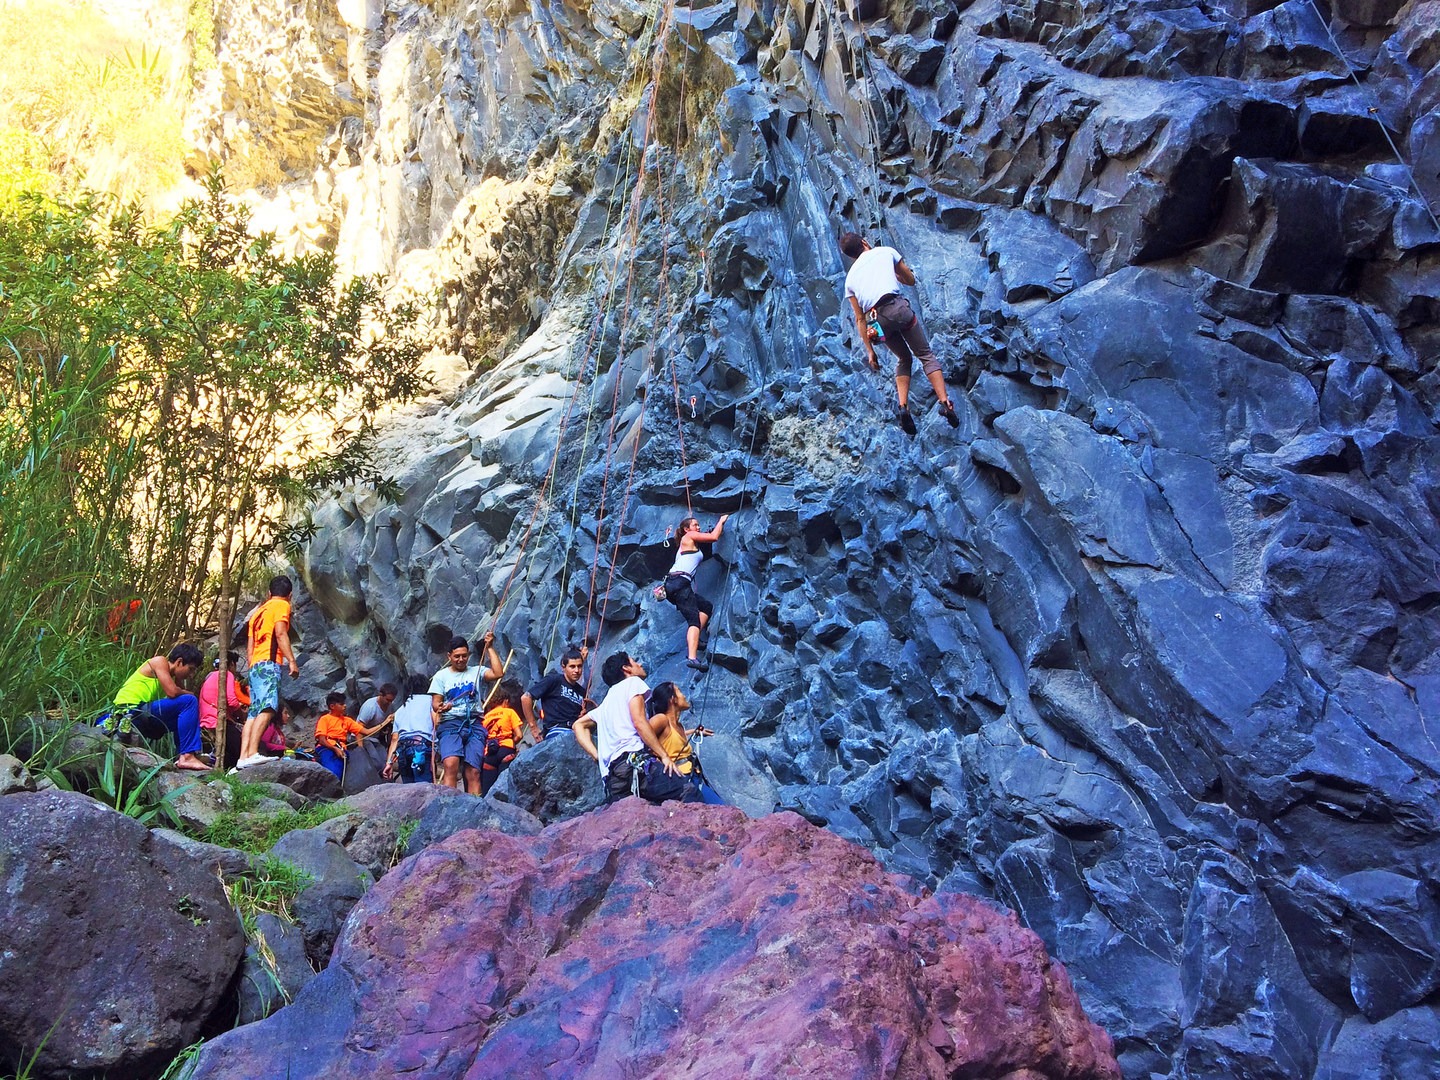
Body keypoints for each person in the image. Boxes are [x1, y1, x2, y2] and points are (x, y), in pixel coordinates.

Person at [839, 232, 959, 435]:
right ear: (864, 242)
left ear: (851, 256)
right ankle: (944, 402)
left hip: (876, 322)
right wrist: (896, 275)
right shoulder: (886, 252)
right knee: (925, 355)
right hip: (897, 308)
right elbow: (910, 279)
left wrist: (870, 352)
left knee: (904, 359)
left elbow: (860, 319)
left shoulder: (849, 279)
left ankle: (903, 406)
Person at [573, 652, 693, 805]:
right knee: (687, 790)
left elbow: (578, 725)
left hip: (613, 778)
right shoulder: (632, 683)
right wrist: (664, 756)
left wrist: (598, 756)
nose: (640, 664)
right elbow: (639, 722)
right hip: (635, 765)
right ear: (626, 669)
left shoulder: (605, 704)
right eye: (635, 662)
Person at [106, 643, 210, 771]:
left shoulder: (169, 676)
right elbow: (172, 692)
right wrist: (187, 692)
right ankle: (187, 756)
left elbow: (177, 696)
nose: (191, 674)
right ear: (179, 661)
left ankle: (184, 756)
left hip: (144, 715)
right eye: (191, 669)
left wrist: (179, 686)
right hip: (131, 710)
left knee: (185, 712)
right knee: (189, 701)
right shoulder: (159, 661)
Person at [235, 576, 300, 770]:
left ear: (269, 593)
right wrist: (292, 660)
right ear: (289, 595)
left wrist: (252, 665)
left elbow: (250, 645)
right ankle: (253, 753)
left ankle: (243, 756)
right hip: (269, 663)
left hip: (255, 664)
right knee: (268, 708)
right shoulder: (281, 606)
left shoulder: (257, 613)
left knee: (254, 711)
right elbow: (280, 633)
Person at [428, 631, 503, 793]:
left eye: (464, 655)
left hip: (474, 724)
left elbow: (498, 673)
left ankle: (474, 807)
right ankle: (449, 805)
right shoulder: (441, 677)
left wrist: (489, 647)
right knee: (450, 765)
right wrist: (441, 707)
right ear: (449, 656)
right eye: (457, 656)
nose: (461, 659)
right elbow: (435, 703)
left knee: (474, 771)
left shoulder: (476, 671)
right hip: (450, 724)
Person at [665, 514, 728, 672]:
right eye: (695, 525)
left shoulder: (686, 544)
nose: (697, 528)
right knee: (693, 620)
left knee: (706, 607)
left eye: (698, 525)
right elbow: (714, 537)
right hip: (679, 583)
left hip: (677, 584)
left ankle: (697, 640)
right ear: (687, 529)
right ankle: (692, 657)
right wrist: (721, 521)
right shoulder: (690, 536)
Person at [646, 682, 724, 804]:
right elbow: (643, 736)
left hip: (693, 777)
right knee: (720, 809)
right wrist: (661, 758)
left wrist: (693, 732)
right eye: (680, 692)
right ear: (673, 699)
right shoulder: (661, 719)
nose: (684, 696)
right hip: (680, 781)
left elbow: (670, 739)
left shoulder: (679, 726)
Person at [313, 691, 387, 781]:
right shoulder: (325, 719)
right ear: (332, 706)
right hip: (326, 748)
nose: (345, 706)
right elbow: (322, 740)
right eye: (341, 704)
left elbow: (367, 732)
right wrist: (335, 749)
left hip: (342, 749)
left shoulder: (347, 720)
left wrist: (385, 722)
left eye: (344, 703)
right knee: (333, 771)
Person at [521, 645, 590, 742]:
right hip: (556, 730)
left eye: (579, 666)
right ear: (563, 667)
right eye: (572, 667)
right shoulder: (554, 680)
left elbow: (588, 681)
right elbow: (526, 698)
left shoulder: (581, 691)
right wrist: (534, 728)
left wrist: (585, 661)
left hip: (575, 731)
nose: (576, 671)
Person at [199, 651, 250, 769]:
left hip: (207, 719)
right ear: (231, 664)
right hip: (217, 720)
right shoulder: (226, 674)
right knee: (242, 748)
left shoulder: (210, 676)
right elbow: (232, 701)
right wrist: (242, 716)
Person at [384, 675, 436, 784]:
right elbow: (437, 722)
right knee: (424, 790)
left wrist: (389, 763)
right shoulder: (431, 701)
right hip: (421, 748)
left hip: (402, 750)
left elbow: (394, 739)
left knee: (409, 790)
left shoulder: (400, 709)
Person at [479, 678, 525, 796]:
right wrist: (512, 743)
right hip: (506, 750)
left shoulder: (485, 717)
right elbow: (519, 735)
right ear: (505, 701)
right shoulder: (509, 712)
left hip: (489, 753)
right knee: (506, 789)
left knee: (488, 791)